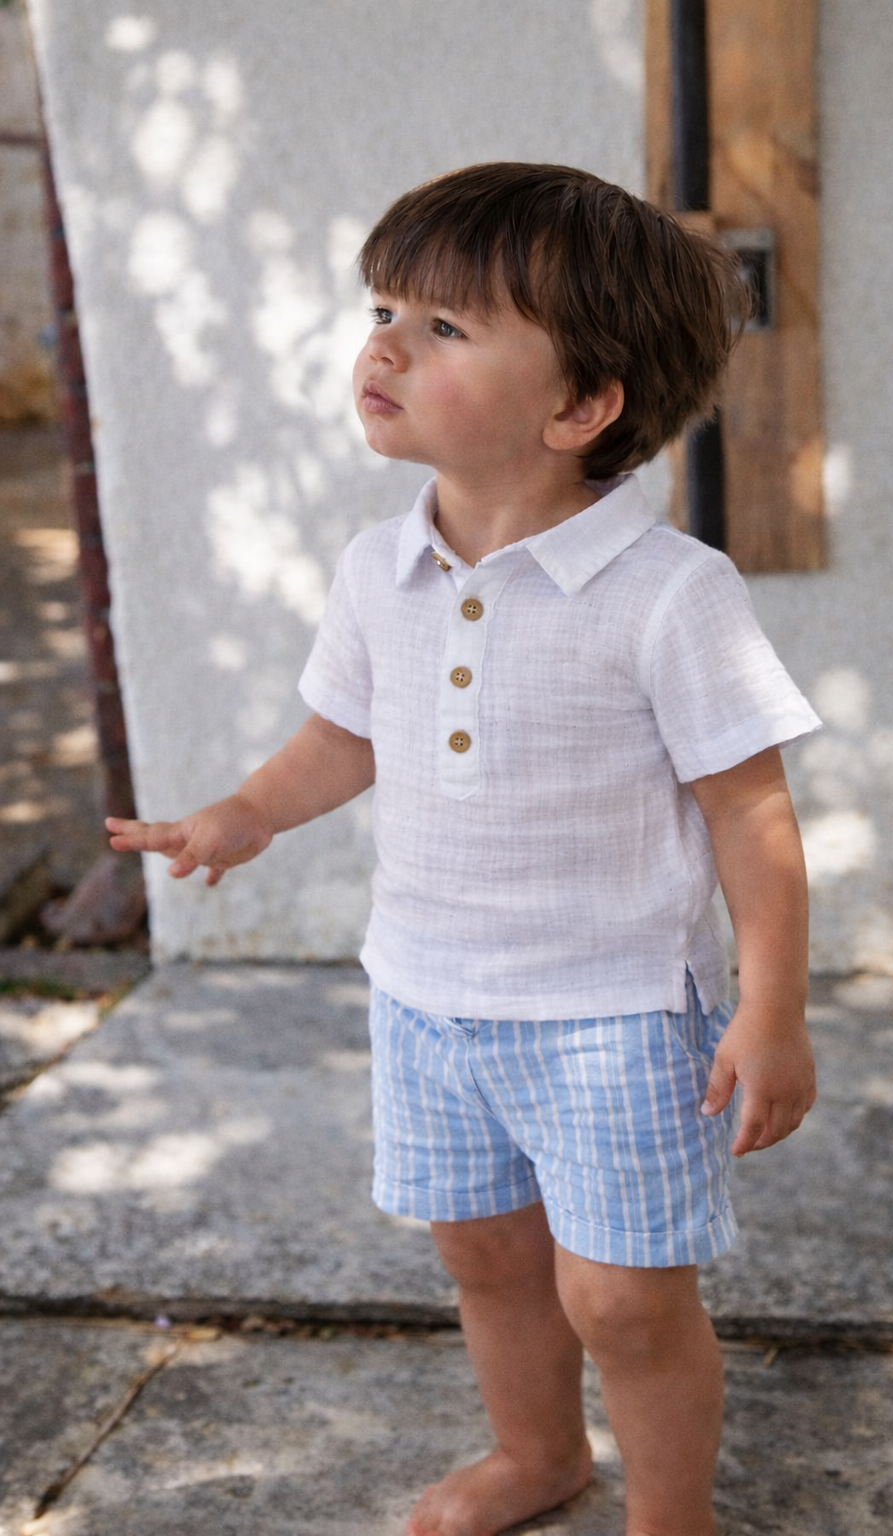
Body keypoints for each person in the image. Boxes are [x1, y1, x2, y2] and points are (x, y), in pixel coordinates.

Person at [107, 162, 822, 1536]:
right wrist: (243, 815)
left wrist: (773, 1008)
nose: (385, 343)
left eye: (446, 327)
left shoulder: (673, 595)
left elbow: (751, 812)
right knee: (487, 1260)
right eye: (387, 308)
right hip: (427, 997)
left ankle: (673, 1515)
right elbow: (342, 738)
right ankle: (542, 1454)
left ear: (580, 405)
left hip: (609, 1018)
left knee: (623, 1293)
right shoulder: (380, 565)